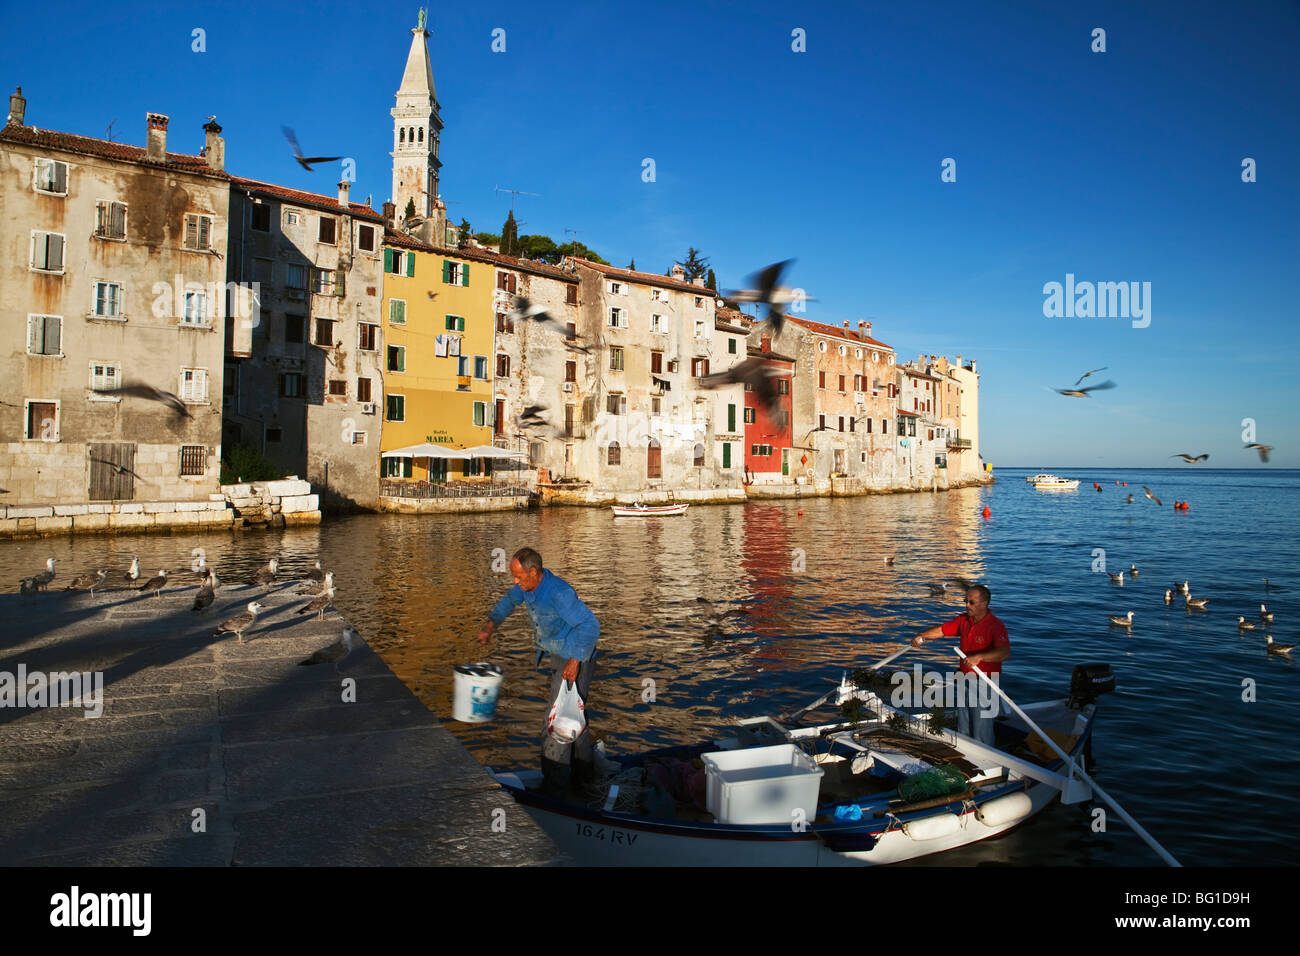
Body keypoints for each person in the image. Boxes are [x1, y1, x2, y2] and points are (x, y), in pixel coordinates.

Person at [477, 547, 600, 791]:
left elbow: (590, 626)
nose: (515, 581)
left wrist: (575, 662)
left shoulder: (558, 593)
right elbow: (508, 601)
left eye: (518, 576)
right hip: (559, 655)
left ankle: (556, 788)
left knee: (556, 724)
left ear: (533, 572)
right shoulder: (528, 587)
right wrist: (490, 627)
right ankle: (585, 777)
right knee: (574, 715)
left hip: (576, 656)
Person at [910, 585, 1009, 746]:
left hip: (984, 681)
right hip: (964, 679)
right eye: (966, 601)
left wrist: (979, 657)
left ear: (984, 604)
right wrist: (922, 636)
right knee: (964, 721)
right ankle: (965, 754)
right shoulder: (964, 620)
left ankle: (986, 759)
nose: (967, 605)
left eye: (971, 602)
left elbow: (1004, 652)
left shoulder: (995, 626)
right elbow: (943, 630)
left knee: (981, 727)